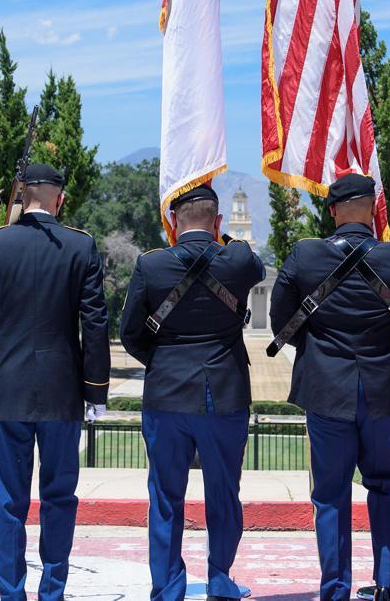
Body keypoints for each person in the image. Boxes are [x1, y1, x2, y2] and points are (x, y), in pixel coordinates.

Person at [0, 163, 111, 601]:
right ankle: (53, 592)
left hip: (8, 390)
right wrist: (95, 390)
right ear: (59, 198)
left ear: (22, 195)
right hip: (63, 393)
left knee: (7, 502)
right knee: (60, 497)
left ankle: (11, 594)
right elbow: (95, 325)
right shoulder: (81, 247)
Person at [268, 172, 390, 601]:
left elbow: (281, 321)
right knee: (385, 483)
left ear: (332, 210)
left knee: (331, 493)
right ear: (373, 209)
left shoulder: (306, 254)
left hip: (326, 388)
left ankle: (335, 588)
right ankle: (386, 582)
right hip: (380, 387)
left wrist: (318, 349)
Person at [119, 184, 266, 601]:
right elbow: (252, 264)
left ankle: (167, 588)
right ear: (219, 223)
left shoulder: (152, 265)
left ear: (172, 223)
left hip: (166, 396)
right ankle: (220, 579)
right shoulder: (236, 258)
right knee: (225, 492)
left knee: (165, 496)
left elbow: (130, 333)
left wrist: (165, 363)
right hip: (225, 394)